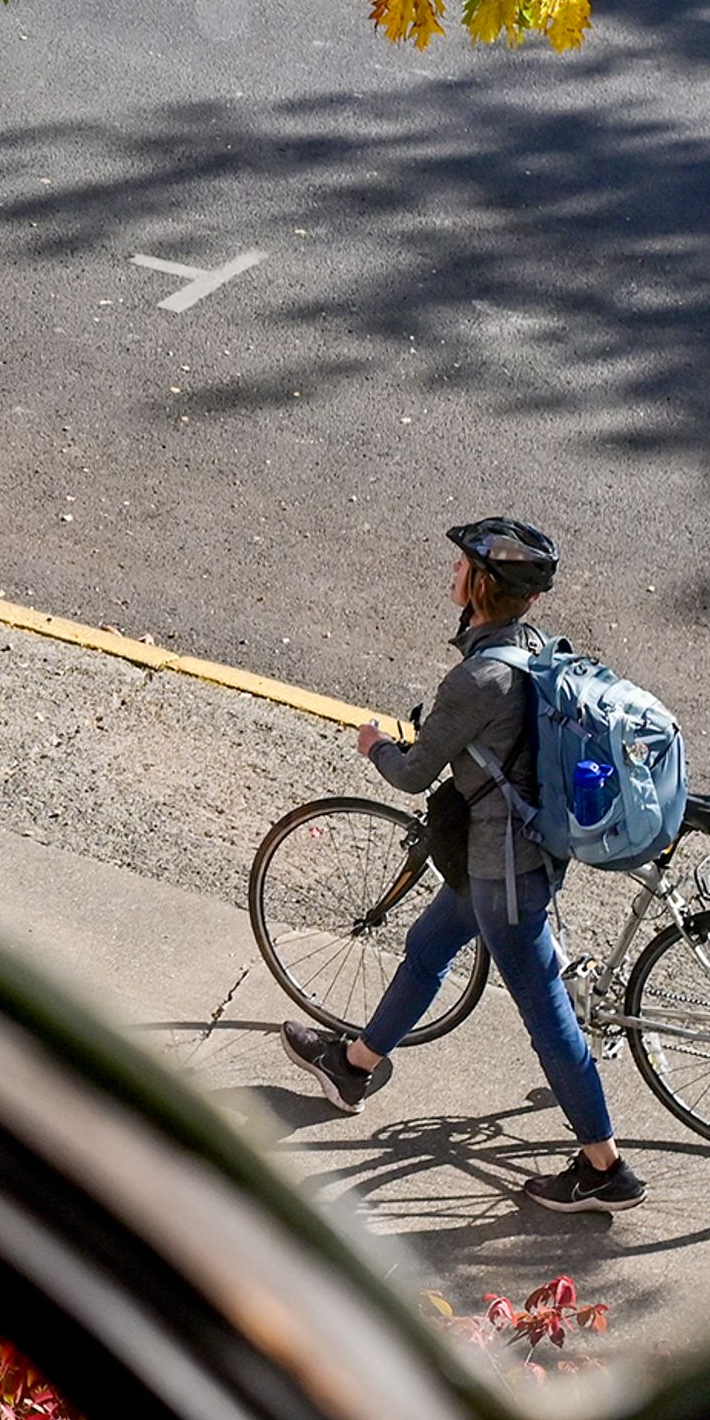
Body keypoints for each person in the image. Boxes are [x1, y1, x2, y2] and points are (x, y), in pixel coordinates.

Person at [280, 516, 648, 1214]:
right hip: (513, 856)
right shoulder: (534, 649)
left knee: (549, 1022)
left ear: (482, 585)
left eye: (459, 567)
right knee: (426, 946)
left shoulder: (477, 677)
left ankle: (605, 1168)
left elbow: (414, 774)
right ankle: (353, 1067)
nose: (450, 574)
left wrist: (373, 746)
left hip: (504, 876)